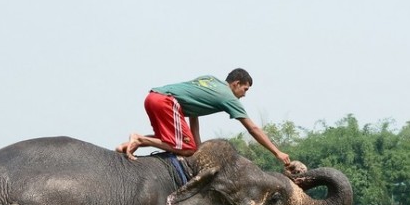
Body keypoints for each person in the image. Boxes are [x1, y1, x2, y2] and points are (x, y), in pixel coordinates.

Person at [116, 69, 291, 167]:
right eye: (245, 89)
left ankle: (127, 145)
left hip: (153, 97)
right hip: (166, 102)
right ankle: (139, 138)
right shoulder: (228, 97)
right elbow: (253, 128)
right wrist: (277, 152)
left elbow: (193, 112)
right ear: (236, 84)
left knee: (176, 142)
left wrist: (197, 145)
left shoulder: (210, 79)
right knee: (186, 149)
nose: (244, 95)